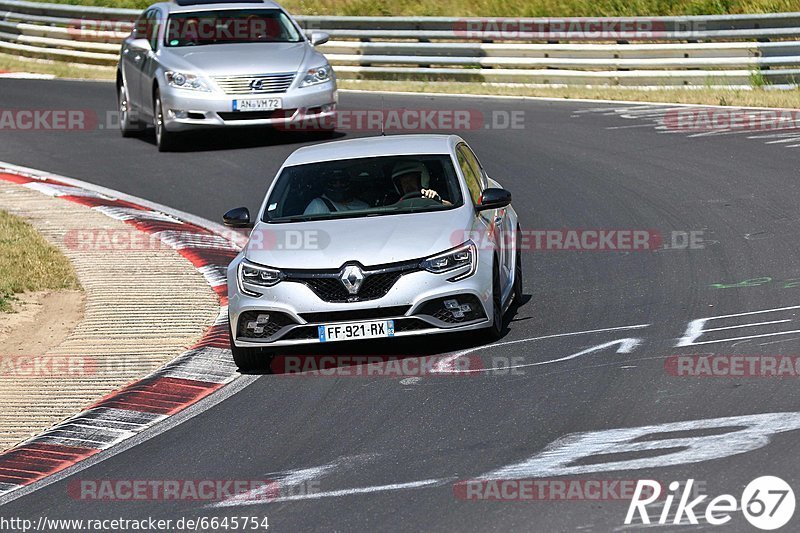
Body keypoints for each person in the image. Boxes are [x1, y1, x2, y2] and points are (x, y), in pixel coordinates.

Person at [303, 172, 369, 215]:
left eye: (342, 181)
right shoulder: (318, 205)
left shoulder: (364, 207)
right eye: (333, 182)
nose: (338, 185)